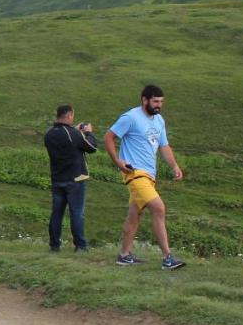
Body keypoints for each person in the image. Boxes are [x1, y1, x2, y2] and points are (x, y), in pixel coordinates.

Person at [104, 84, 186, 270]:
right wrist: (117, 161)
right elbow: (108, 137)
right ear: (144, 100)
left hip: (149, 176)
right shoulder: (131, 117)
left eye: (161, 102)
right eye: (155, 101)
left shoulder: (159, 121)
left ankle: (124, 255)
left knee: (135, 215)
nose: (159, 105)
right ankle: (167, 258)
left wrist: (174, 165)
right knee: (158, 208)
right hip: (135, 173)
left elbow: (164, 146)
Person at [44, 104, 97, 251]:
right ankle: (80, 246)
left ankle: (54, 246)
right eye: (72, 115)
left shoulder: (49, 134)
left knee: (56, 214)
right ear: (68, 116)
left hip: (57, 179)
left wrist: (77, 132)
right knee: (77, 214)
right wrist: (88, 133)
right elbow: (92, 147)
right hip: (75, 179)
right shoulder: (73, 133)